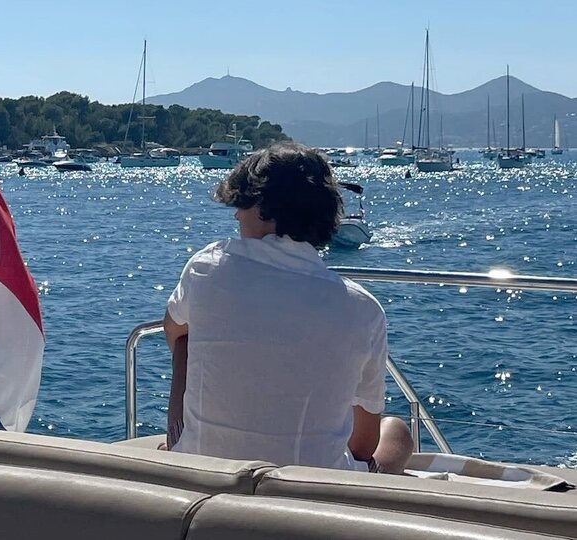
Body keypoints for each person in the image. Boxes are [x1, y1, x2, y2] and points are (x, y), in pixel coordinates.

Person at [163, 142, 413, 473]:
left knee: (184, 341)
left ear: (264, 207)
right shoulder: (363, 309)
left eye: (242, 203)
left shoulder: (208, 267)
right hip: (308, 492)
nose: (236, 214)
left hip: (209, 474)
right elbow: (363, 446)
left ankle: (180, 442)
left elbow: (174, 330)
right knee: (397, 432)